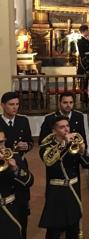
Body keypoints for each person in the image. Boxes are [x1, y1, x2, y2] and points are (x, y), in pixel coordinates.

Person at [38, 115, 89, 238]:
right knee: (54, 229)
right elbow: (49, 161)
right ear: (54, 130)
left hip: (73, 189)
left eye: (67, 126)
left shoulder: (75, 143)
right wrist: (63, 145)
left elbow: (88, 165)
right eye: (62, 127)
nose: (66, 130)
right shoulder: (46, 146)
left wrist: (83, 152)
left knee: (73, 227)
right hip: (57, 192)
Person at [0, 92, 33, 239]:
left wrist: (27, 145)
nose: (15, 108)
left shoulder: (23, 121)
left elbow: (30, 142)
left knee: (21, 209)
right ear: (2, 106)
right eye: (11, 104)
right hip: (2, 166)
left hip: (18, 163)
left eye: (17, 104)